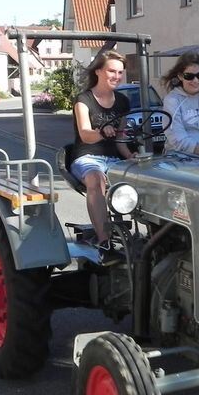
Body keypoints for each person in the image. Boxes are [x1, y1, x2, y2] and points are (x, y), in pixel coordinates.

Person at [71, 49, 134, 249]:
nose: (116, 76)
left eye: (120, 72)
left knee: (150, 177)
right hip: (88, 156)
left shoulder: (123, 102)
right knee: (96, 180)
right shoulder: (84, 100)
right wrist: (102, 131)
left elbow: (121, 139)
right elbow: (85, 134)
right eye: (111, 71)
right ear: (98, 71)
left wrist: (132, 157)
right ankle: (104, 241)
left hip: (113, 159)